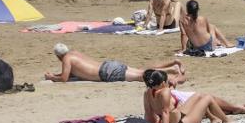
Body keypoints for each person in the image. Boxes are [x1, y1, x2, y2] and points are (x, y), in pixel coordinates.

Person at [45, 44, 186, 83]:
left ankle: (171, 71)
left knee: (143, 75)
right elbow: (68, 74)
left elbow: (64, 78)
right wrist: (56, 75)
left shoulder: (66, 59)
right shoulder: (74, 53)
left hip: (106, 73)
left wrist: (52, 77)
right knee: (142, 71)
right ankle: (172, 64)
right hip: (109, 65)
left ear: (58, 55)